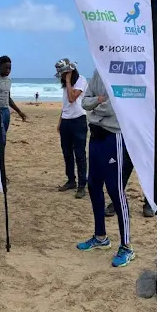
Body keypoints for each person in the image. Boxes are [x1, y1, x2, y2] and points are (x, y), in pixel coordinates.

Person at [76, 69, 135, 268]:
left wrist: (96, 105)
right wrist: (97, 101)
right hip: (96, 135)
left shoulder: (122, 72)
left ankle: (126, 245)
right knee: (93, 185)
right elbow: (84, 102)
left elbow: (114, 107)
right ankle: (100, 237)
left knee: (115, 190)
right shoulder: (98, 71)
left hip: (114, 135)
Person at [105, 77, 157, 217]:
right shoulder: (134, 83)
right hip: (131, 134)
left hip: (149, 136)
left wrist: (150, 134)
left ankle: (150, 203)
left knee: (151, 171)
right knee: (123, 169)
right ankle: (116, 202)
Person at [55, 59, 88, 199]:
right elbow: (65, 105)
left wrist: (68, 81)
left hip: (78, 120)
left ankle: (82, 185)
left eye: (64, 74)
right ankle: (71, 180)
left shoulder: (81, 80)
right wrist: (60, 121)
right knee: (67, 153)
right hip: (66, 121)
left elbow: (72, 98)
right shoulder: (65, 85)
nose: (62, 77)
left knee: (79, 154)